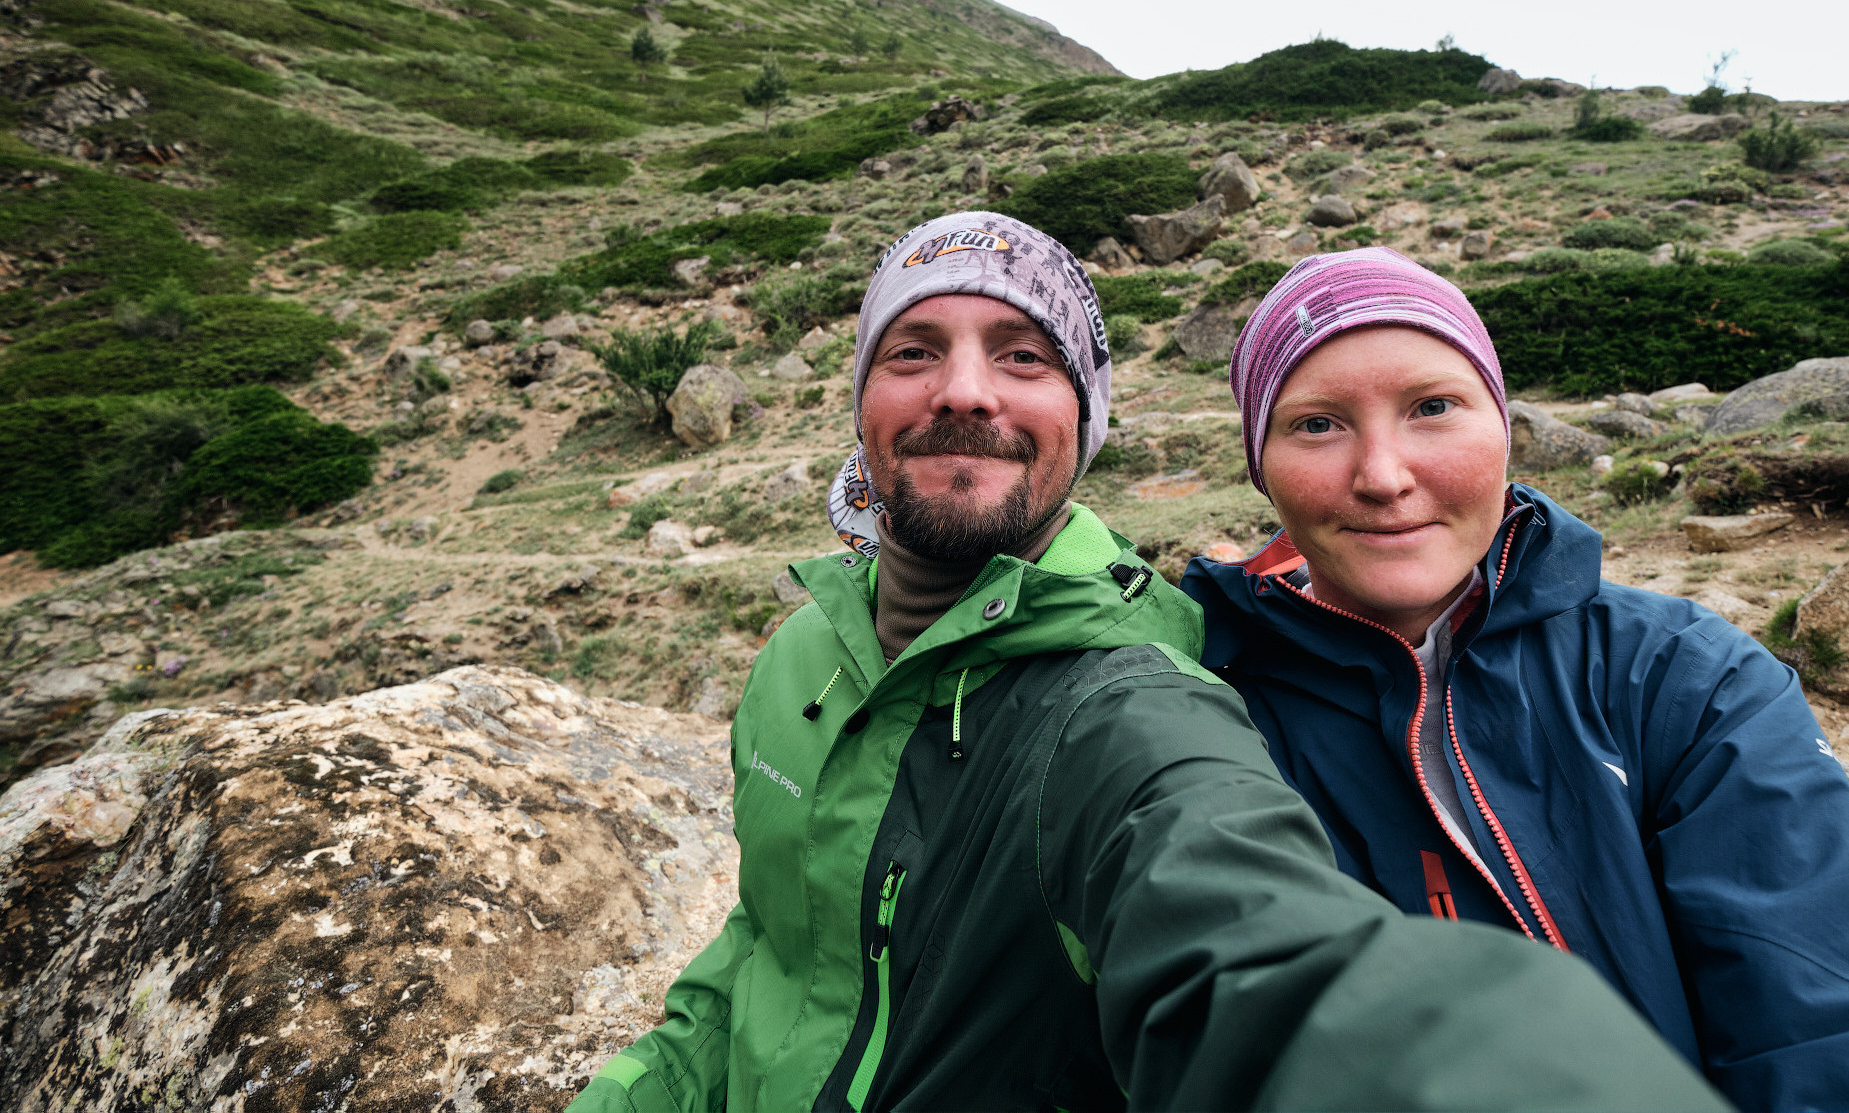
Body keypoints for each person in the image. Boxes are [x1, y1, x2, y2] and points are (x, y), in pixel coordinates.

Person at [568, 215, 1726, 1112]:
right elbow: (764, 957)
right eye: (913, 348)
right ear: (863, 403)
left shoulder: (1120, 696)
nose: (963, 388)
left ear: (1088, 420)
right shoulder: (802, 653)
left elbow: (1248, 948)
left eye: (1022, 355)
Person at [1179, 246, 1849, 1113]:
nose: (1383, 476)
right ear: (1258, 461)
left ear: (1503, 425)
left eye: (1433, 407)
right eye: (1316, 424)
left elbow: (1848, 1029)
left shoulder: (1688, 678)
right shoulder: (1200, 708)